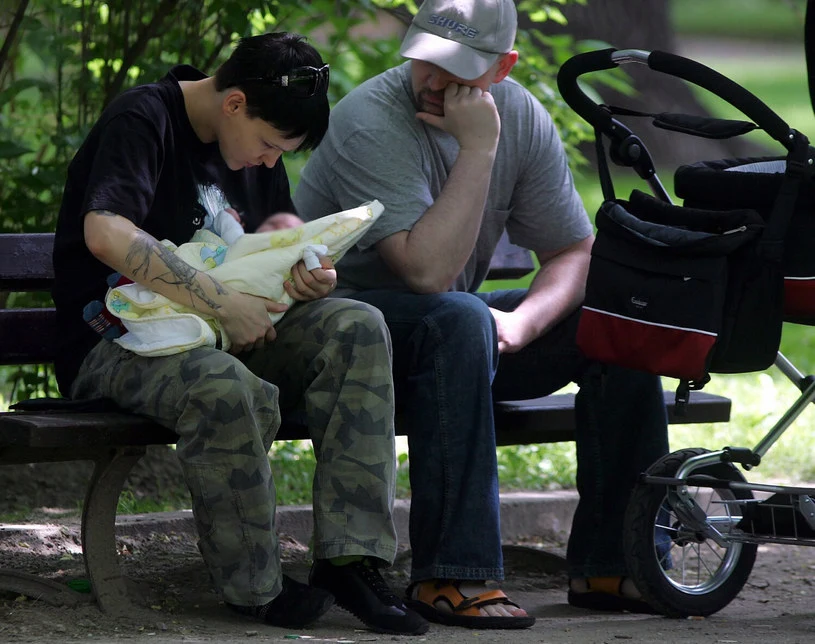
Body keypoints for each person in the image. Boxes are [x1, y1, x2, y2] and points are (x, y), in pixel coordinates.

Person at [293, 0, 670, 629]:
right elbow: (426, 274)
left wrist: (523, 325)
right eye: (426, 62)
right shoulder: (371, 119)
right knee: (460, 316)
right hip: (344, 338)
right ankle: (450, 575)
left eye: (458, 70)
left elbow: (574, 252)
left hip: (455, 343)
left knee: (615, 315)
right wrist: (478, 150)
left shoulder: (521, 112)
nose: (435, 82)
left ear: (504, 67)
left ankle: (618, 562)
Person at [52, 32, 428, 635]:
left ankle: (352, 561)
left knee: (356, 326)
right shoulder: (144, 119)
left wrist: (304, 278)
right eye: (268, 145)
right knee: (222, 384)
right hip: (114, 340)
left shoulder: (252, 152)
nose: (270, 162)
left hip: (226, 330)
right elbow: (106, 233)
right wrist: (225, 305)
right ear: (233, 104)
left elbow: (266, 246)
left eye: (284, 153)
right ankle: (255, 587)